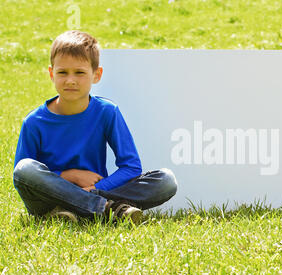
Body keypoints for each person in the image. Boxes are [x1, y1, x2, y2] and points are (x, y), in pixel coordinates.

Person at [13, 30, 177, 224]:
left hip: (97, 190)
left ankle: (78, 209)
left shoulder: (107, 112)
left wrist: (94, 190)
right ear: (51, 74)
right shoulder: (34, 122)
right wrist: (68, 176)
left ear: (96, 74)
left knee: (166, 181)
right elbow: (22, 178)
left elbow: (131, 166)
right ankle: (106, 209)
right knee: (24, 168)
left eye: (80, 72)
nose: (70, 80)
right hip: (49, 200)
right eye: (62, 72)